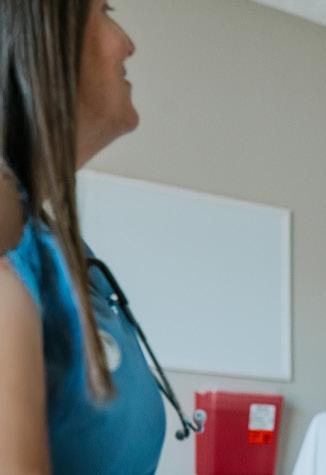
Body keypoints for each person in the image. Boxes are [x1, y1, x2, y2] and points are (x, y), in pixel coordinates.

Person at [0, 1, 165, 473]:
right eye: (107, 10)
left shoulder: (61, 254)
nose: (127, 44)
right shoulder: (14, 263)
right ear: (45, 36)